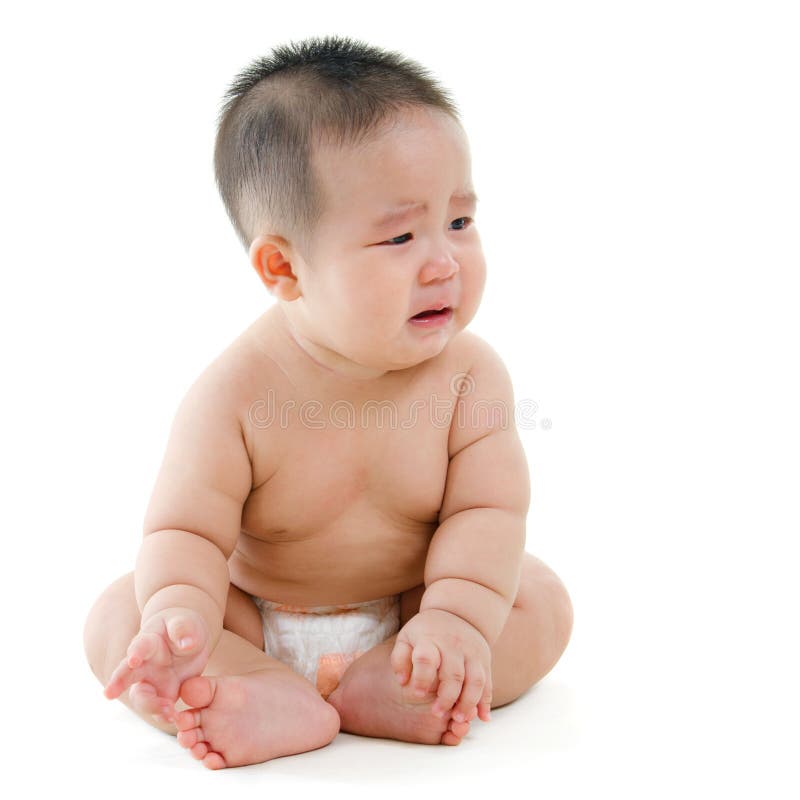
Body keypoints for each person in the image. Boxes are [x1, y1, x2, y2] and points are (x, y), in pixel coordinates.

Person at [83, 34, 574, 770]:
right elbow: (186, 532)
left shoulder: (470, 377)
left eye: (460, 222)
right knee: (121, 618)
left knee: (539, 601)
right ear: (284, 267)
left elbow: (488, 514)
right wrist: (180, 617)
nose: (444, 261)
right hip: (252, 617)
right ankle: (254, 686)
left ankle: (397, 686)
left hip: (413, 613)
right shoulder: (235, 393)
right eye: (401, 235)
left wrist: (455, 621)